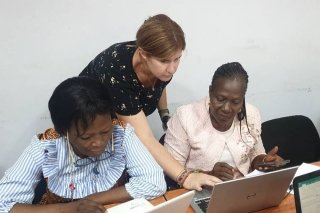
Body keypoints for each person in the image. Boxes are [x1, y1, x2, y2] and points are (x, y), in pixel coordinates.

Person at [79, 14, 221, 189]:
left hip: (118, 129)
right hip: (90, 130)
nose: (172, 68)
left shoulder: (161, 66)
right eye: (164, 61)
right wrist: (186, 177)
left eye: (177, 59)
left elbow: (160, 85)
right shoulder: (117, 71)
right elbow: (144, 137)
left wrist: (164, 114)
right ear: (143, 54)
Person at [0, 77, 166, 213]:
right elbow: (4, 205)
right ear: (63, 131)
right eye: (86, 137)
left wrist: (91, 201)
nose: (99, 143)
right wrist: (72, 208)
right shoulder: (45, 147)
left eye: (105, 132)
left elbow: (154, 183)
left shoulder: (121, 133)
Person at [164, 62, 283, 181]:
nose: (226, 108)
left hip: (242, 191)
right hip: (198, 195)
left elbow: (255, 155)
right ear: (210, 91)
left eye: (235, 102)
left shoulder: (250, 114)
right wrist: (208, 175)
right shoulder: (185, 117)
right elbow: (170, 170)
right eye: (220, 99)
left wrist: (264, 161)